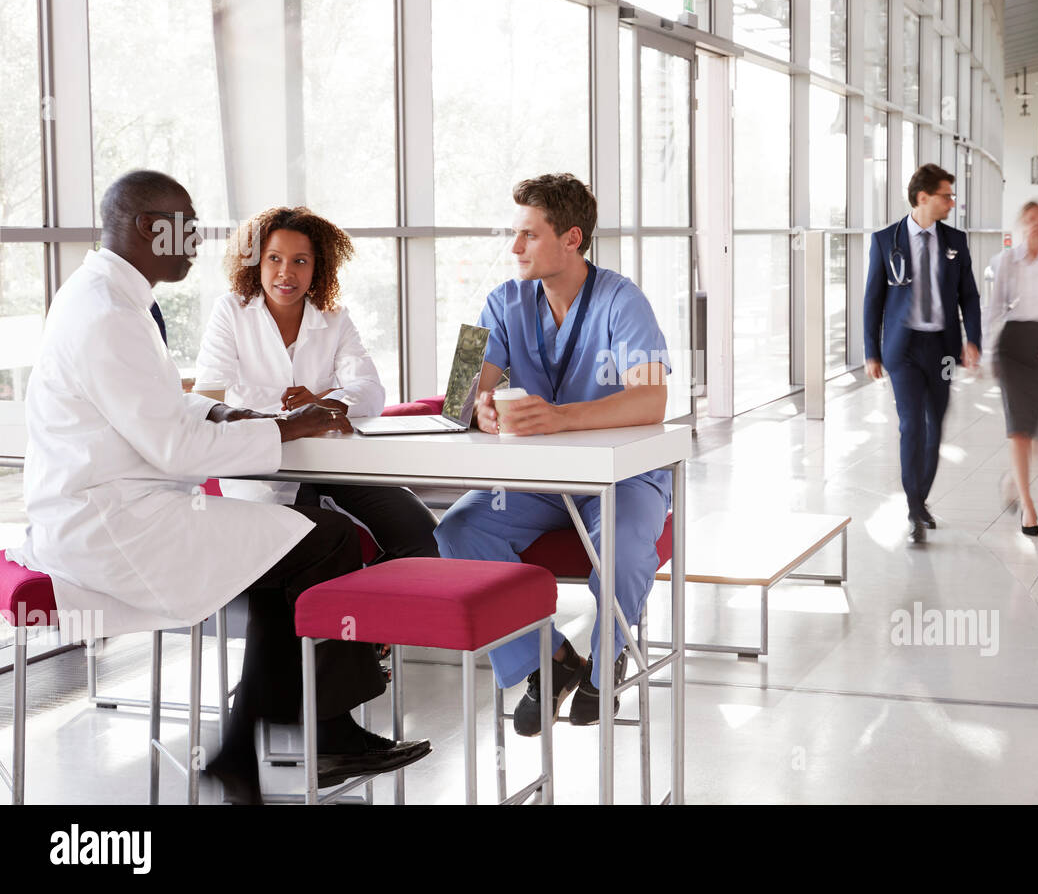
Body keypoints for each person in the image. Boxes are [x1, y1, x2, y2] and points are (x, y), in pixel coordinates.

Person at [4, 171, 429, 804]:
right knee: (324, 539)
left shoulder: (112, 298)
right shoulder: (108, 313)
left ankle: (272, 748)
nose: (200, 238)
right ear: (152, 229)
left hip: (125, 504)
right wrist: (283, 427)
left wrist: (223, 414)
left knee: (296, 547)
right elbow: (173, 447)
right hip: (113, 524)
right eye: (188, 225)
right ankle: (287, 743)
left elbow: (165, 411)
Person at [434, 174, 670, 734]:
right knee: (458, 531)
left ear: (571, 237)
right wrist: (478, 411)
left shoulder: (623, 299)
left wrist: (561, 417)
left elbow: (652, 399)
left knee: (620, 545)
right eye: (513, 235)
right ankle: (550, 660)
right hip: (535, 480)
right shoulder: (501, 299)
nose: (514, 249)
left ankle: (604, 664)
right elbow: (455, 396)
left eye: (527, 236)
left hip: (622, 479)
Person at [196, 205, 438, 563]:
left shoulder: (334, 317)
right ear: (256, 262)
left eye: (300, 261)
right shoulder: (231, 311)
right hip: (266, 467)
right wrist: (301, 411)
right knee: (305, 548)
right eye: (274, 258)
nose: (285, 273)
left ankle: (379, 613)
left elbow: (370, 389)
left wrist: (328, 403)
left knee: (420, 533)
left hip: (336, 464)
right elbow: (211, 397)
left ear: (317, 267)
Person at [864, 163, 982, 544]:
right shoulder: (886, 240)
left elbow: (969, 296)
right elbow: (873, 301)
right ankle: (915, 506)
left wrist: (973, 340)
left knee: (934, 428)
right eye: (946, 195)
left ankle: (919, 499)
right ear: (923, 198)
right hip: (904, 349)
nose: (951, 202)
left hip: (943, 350)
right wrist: (871, 352)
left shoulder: (955, 241)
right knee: (911, 425)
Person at [985, 201, 1038, 536]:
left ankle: (1012, 480)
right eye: (1030, 221)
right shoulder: (1006, 261)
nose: (1035, 226)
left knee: (1035, 435)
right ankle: (1028, 508)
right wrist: (982, 347)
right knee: (1019, 429)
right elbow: (993, 307)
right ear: (1021, 224)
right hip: (1012, 347)